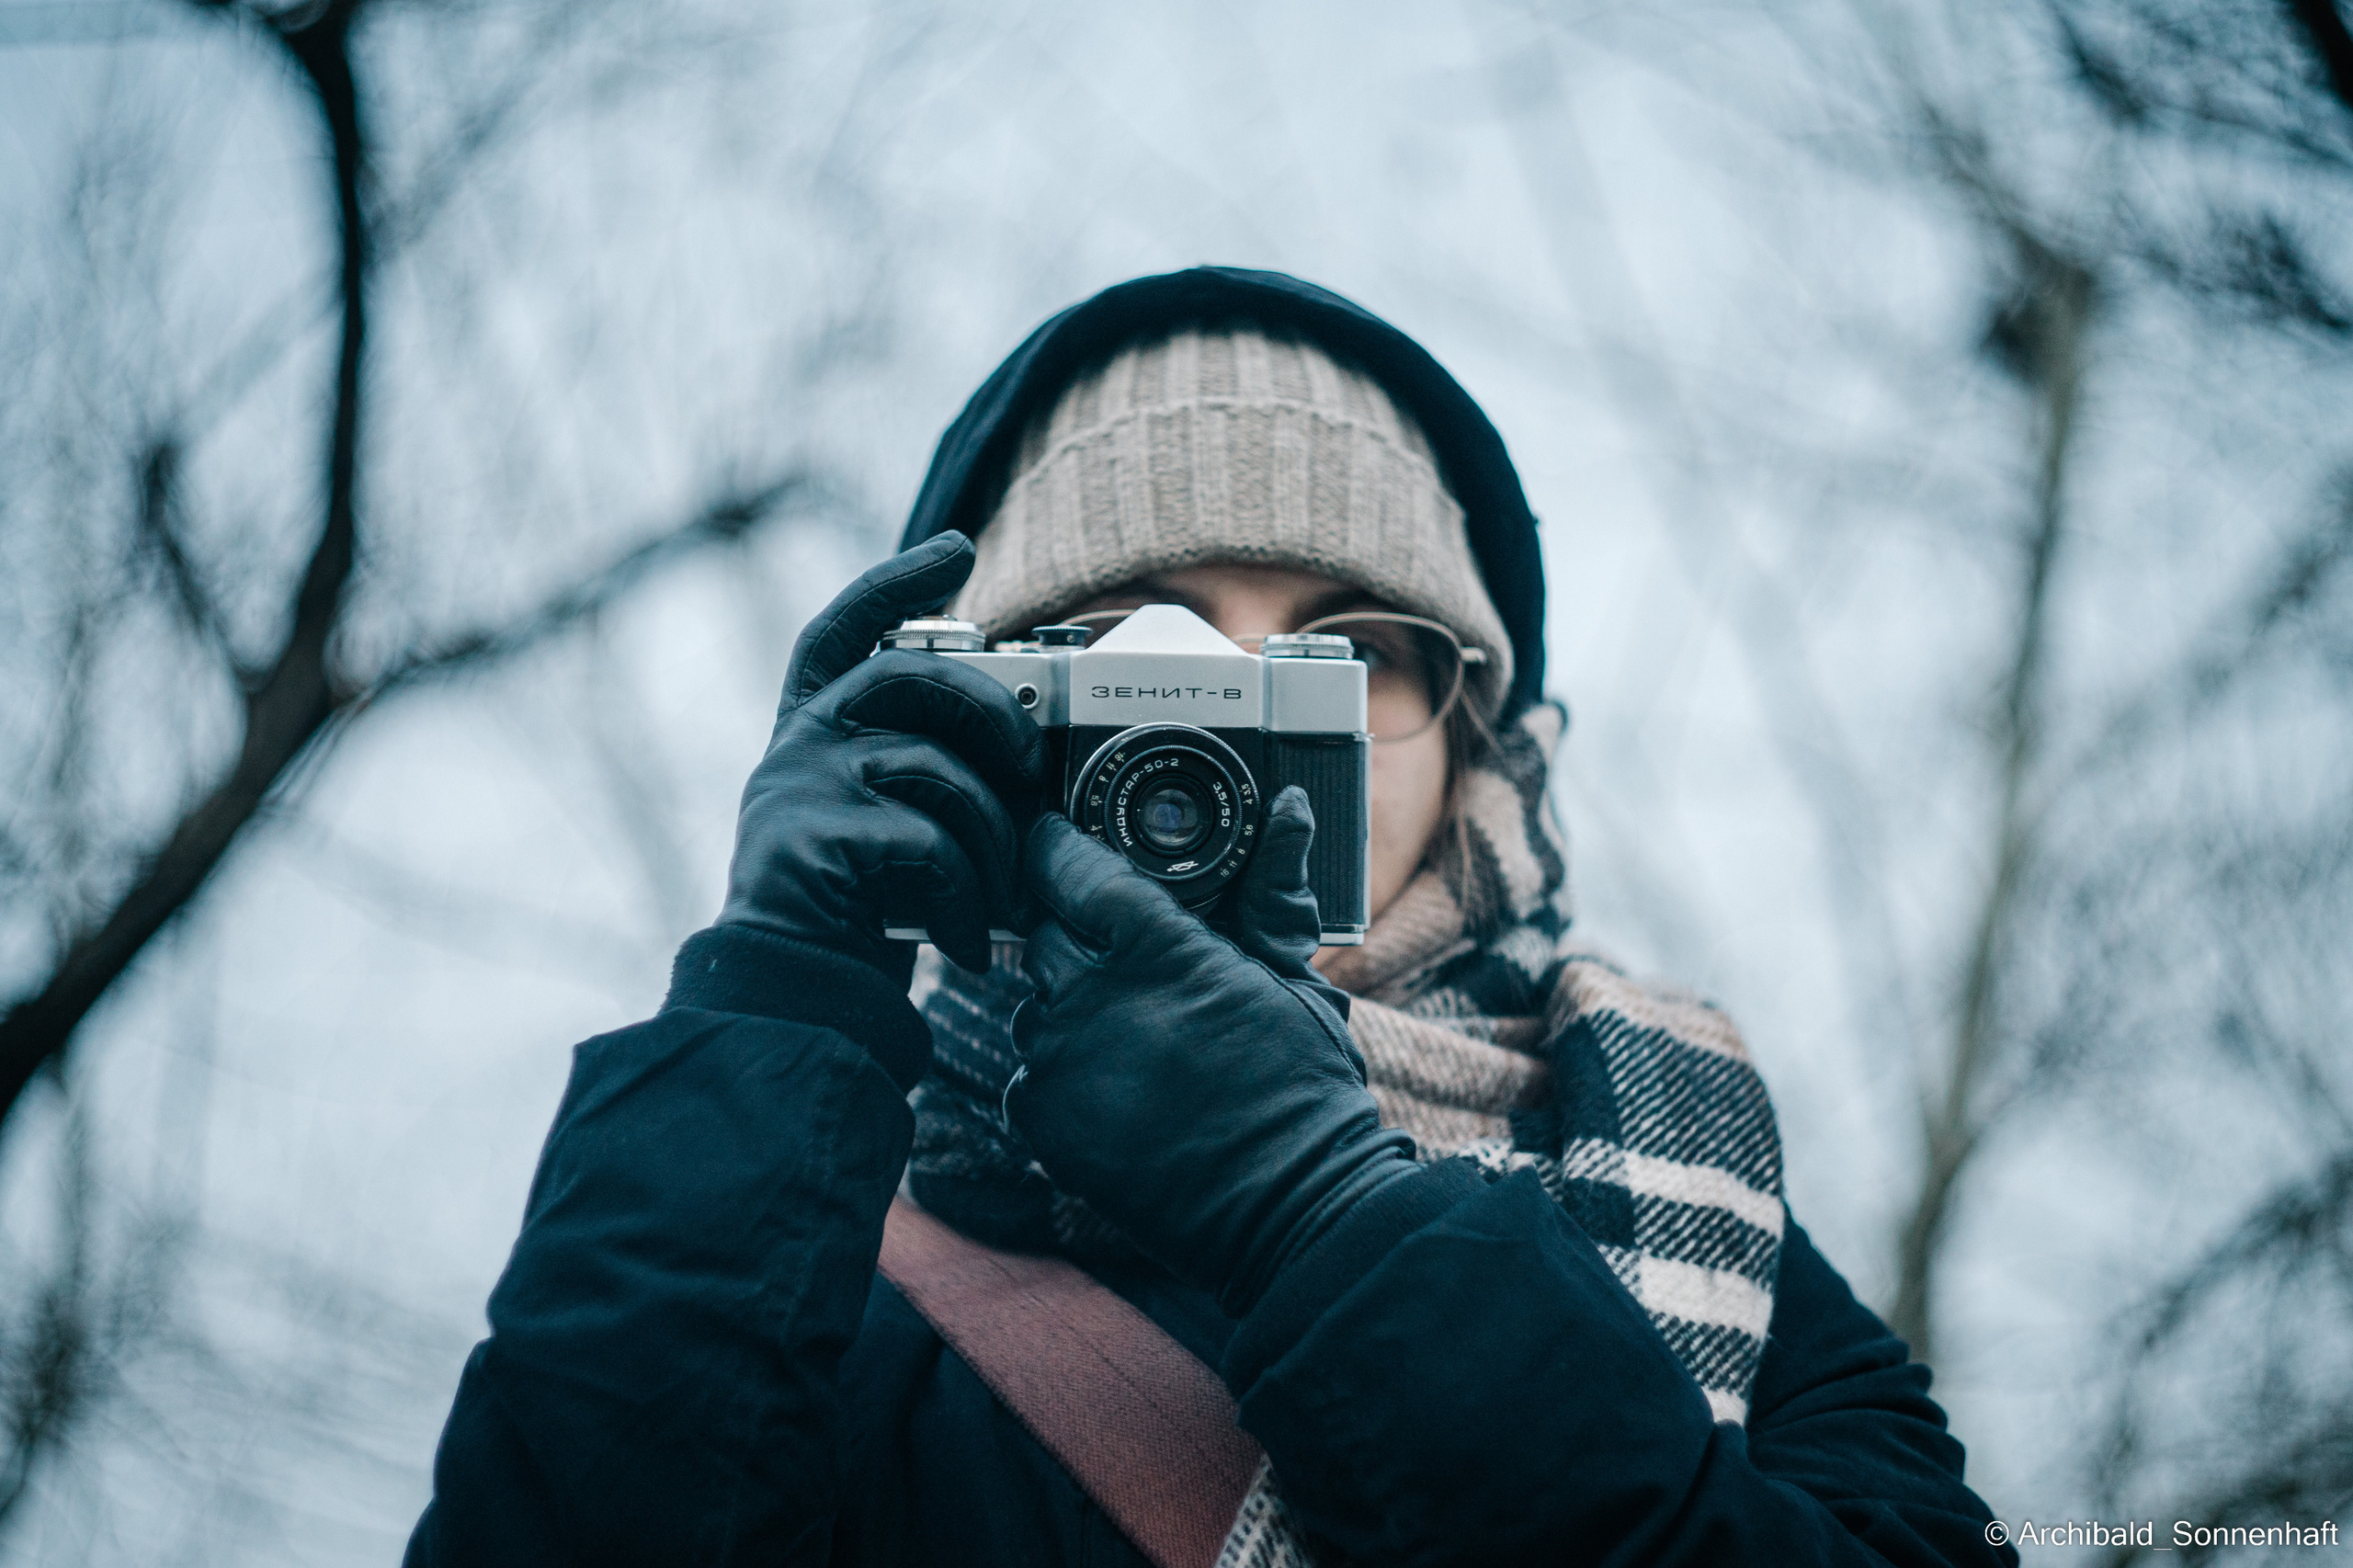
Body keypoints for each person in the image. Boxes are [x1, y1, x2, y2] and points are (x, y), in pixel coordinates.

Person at [404, 267, 2017, 1568]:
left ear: (1482, 750)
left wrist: (1328, 1212)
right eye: (1129, 651)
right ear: (974, 710)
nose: (1229, 734)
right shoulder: (810, 1229)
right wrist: (774, 1004)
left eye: (1351, 656)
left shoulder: (1686, 1163)